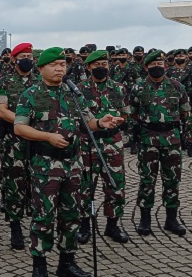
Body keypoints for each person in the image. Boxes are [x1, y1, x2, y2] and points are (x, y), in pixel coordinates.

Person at [14, 47, 121, 277]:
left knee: (71, 214)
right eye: (54, 65)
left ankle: (67, 263)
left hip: (73, 164)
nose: (60, 69)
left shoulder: (73, 93)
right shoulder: (31, 94)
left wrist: (102, 122)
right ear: (41, 68)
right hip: (45, 165)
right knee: (43, 215)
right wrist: (47, 136)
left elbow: (88, 123)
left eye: (63, 65)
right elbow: (19, 127)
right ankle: (39, 265)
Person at [129, 50, 189, 237]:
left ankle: (171, 219)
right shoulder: (138, 88)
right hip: (149, 139)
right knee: (147, 180)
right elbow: (133, 112)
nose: (157, 67)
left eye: (160, 64)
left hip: (172, 139)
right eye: (153, 65)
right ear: (146, 67)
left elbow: (185, 111)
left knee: (172, 180)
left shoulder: (177, 87)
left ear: (165, 65)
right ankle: (145, 219)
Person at [77, 50, 130, 244]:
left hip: (112, 143)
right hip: (87, 143)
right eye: (97, 64)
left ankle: (113, 225)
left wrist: (119, 121)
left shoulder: (119, 88)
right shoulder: (79, 90)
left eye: (105, 64)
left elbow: (126, 113)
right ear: (89, 66)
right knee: (85, 186)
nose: (101, 68)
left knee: (115, 184)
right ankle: (83, 225)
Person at [0, 42, 40, 250]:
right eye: (23, 56)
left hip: (37, 140)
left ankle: (37, 224)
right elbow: (2, 111)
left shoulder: (40, 81)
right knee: (14, 182)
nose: (28, 59)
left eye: (30, 56)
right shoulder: (5, 82)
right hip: (14, 140)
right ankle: (15, 227)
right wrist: (25, 123)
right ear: (14, 59)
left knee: (36, 181)